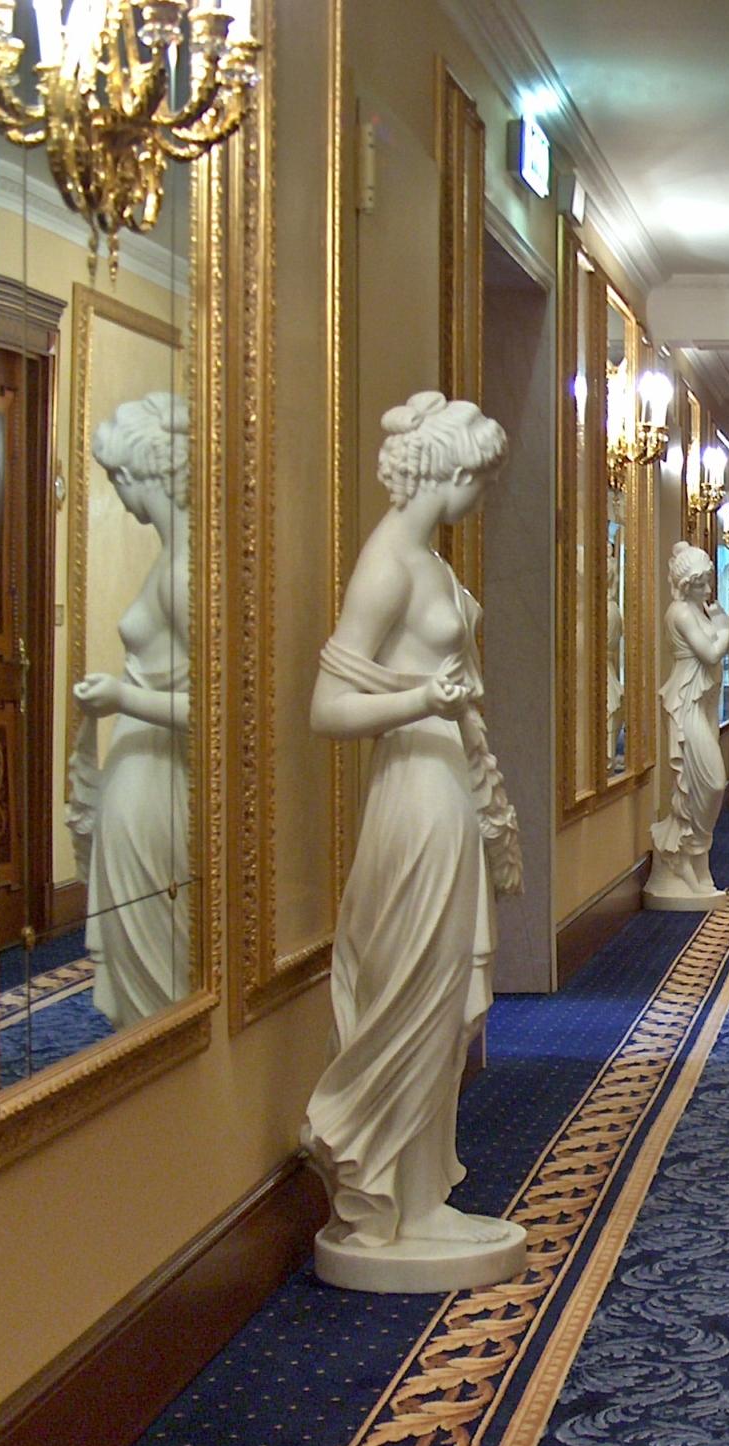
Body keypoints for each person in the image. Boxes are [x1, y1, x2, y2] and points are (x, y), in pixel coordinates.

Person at [303, 391, 524, 1277]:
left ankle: (423, 1198)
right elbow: (327, 710)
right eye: (477, 477)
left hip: (451, 790)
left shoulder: (428, 557)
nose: (479, 493)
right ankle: (382, 1193)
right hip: (414, 796)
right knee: (414, 989)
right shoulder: (388, 562)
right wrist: (419, 699)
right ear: (448, 470)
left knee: (440, 999)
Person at [71, 391, 192, 1032]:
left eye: (119, 477)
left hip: (159, 786)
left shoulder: (185, 572)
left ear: (149, 473)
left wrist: (123, 697)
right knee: (144, 957)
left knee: (161, 971)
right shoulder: (173, 562)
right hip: (142, 778)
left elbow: (220, 709)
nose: (118, 494)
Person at [644, 541, 729, 908]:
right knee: (709, 782)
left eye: (708, 582)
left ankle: (696, 860)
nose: (708, 590)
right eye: (701, 584)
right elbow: (711, 652)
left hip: (704, 700)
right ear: (685, 585)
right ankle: (682, 855)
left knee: (705, 782)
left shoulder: (698, 610)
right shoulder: (679, 612)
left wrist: (716, 624)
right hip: (686, 701)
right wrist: (726, 627)